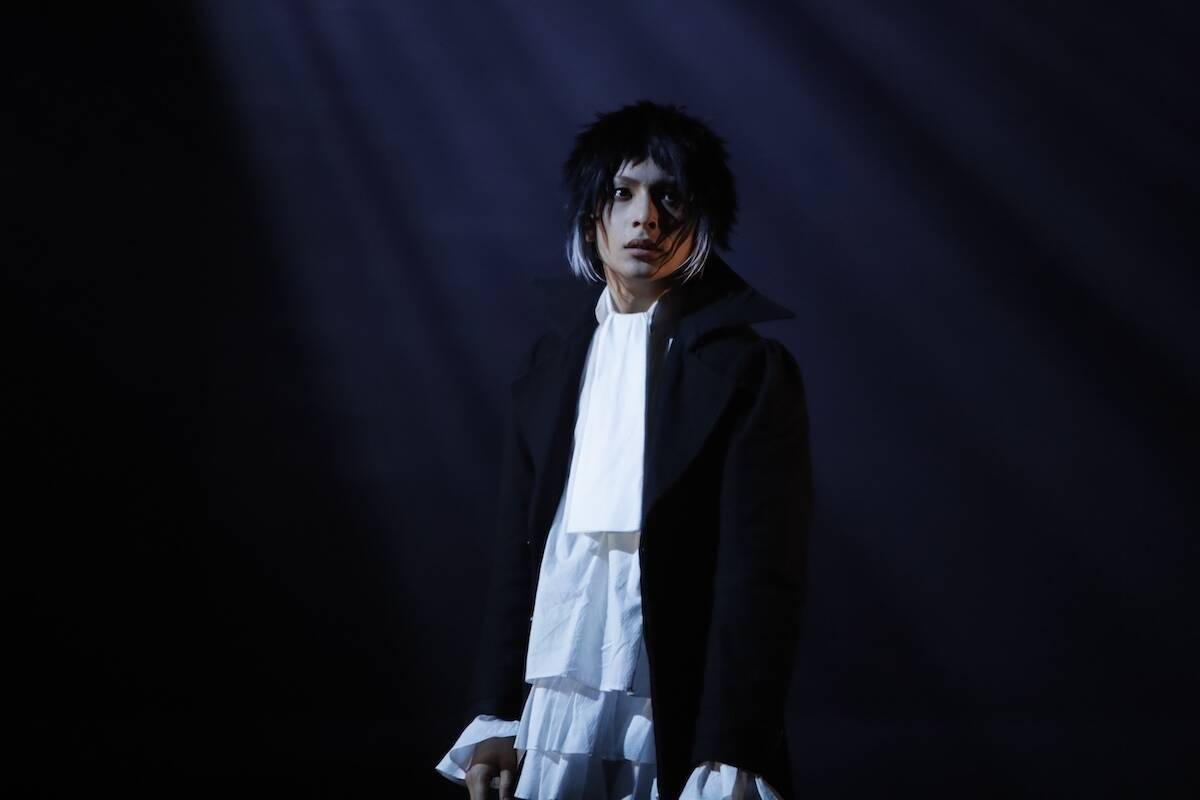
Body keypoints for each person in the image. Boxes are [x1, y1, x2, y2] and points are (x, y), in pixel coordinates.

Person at [434, 100, 813, 799]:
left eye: (670, 196)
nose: (646, 218)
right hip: (561, 699)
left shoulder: (750, 372)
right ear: (592, 220)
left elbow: (761, 579)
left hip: (682, 710)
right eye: (622, 193)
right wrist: (497, 714)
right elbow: (519, 557)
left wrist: (733, 747)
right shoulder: (548, 366)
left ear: (701, 220)